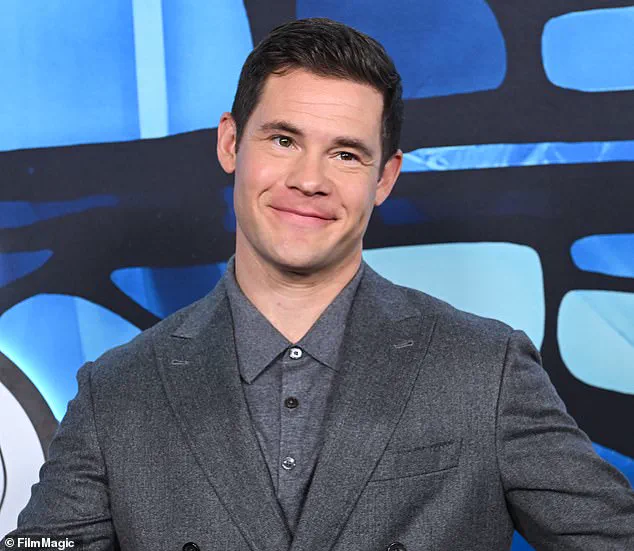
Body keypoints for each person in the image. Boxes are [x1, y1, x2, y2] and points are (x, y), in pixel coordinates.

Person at [3, 17, 634, 551]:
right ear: (230, 143)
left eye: (345, 154)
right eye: (283, 140)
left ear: (385, 178)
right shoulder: (117, 392)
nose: (309, 180)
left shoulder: (485, 370)